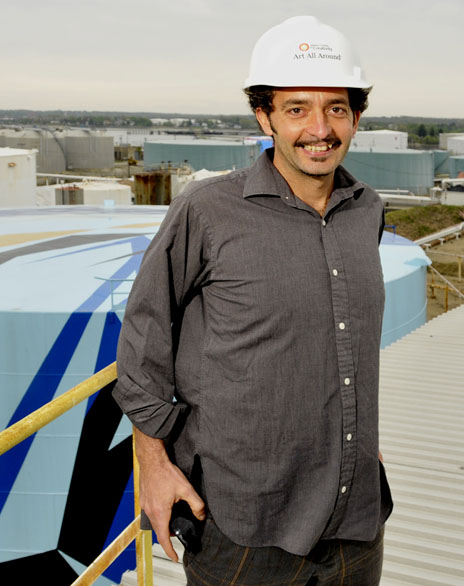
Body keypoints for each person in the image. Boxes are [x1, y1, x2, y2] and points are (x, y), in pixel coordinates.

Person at [113, 15, 392, 586]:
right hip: (242, 528)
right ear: (263, 116)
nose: (320, 128)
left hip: (355, 521)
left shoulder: (368, 209)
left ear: (357, 115)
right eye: (296, 109)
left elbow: (344, 338)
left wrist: (365, 445)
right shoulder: (208, 212)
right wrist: (153, 463)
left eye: (336, 108)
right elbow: (145, 339)